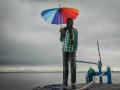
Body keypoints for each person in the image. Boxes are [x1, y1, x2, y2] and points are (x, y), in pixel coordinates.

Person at [60, 18, 78, 87]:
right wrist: (62, 34)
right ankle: (65, 82)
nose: (69, 23)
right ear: (66, 23)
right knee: (65, 67)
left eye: (70, 22)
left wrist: (75, 51)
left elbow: (76, 42)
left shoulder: (75, 31)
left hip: (72, 50)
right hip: (64, 50)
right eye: (68, 22)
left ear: (72, 23)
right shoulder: (64, 30)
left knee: (73, 67)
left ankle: (73, 82)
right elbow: (61, 40)